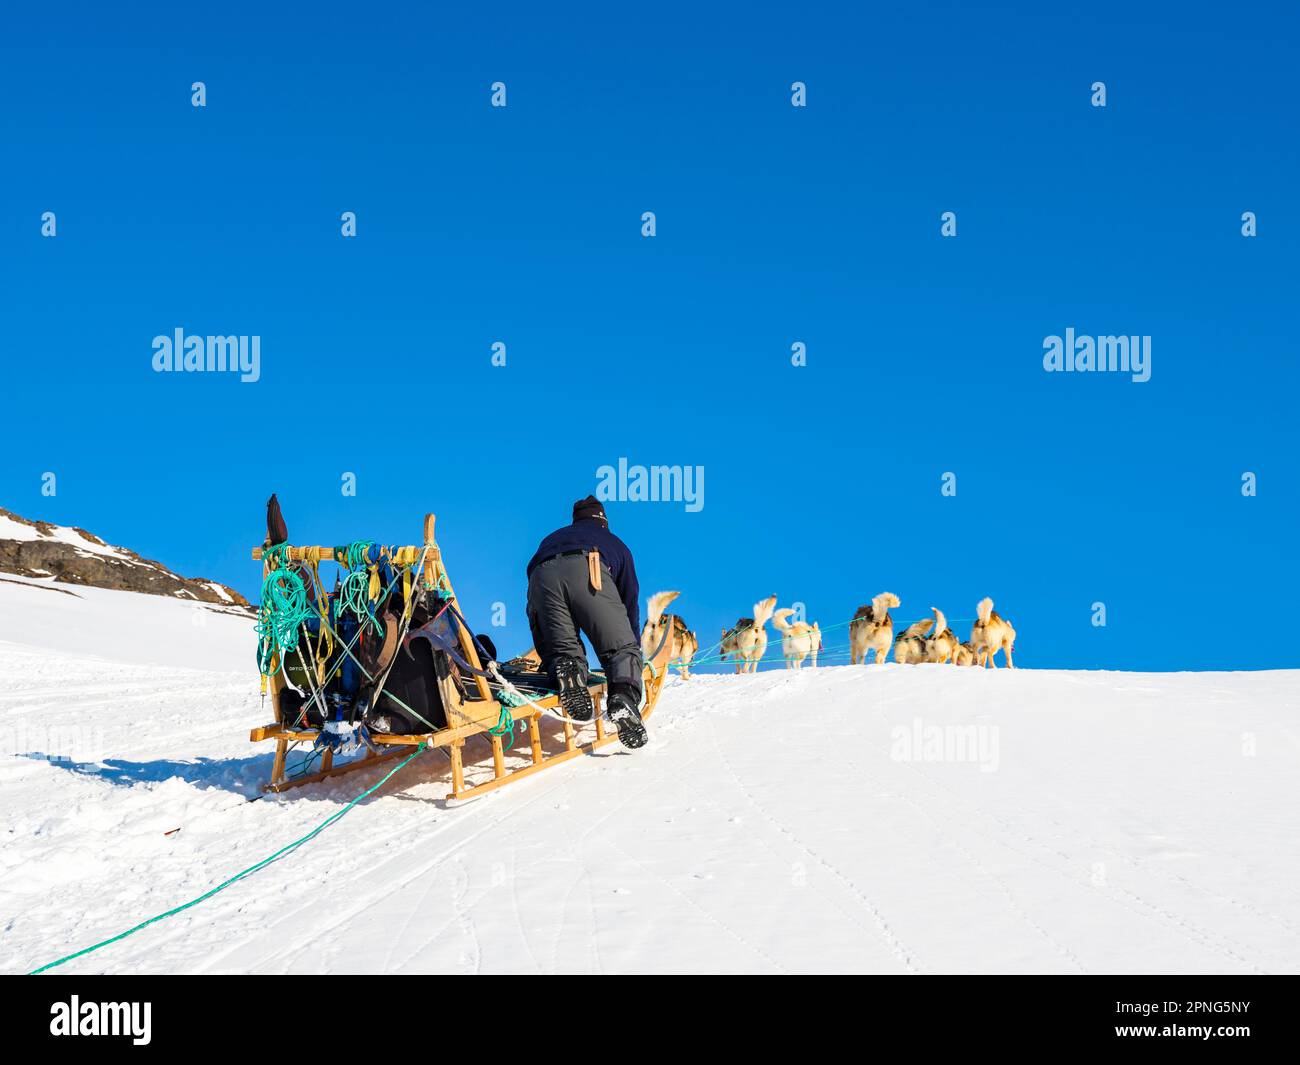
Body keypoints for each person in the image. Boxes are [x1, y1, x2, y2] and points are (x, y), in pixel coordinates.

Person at [525, 496, 647, 749]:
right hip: (589, 565)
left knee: (563, 649)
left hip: (540, 575)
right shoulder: (614, 543)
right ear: (604, 521)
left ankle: (568, 668)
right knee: (621, 650)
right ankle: (623, 697)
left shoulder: (553, 537)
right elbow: (628, 602)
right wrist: (632, 647)